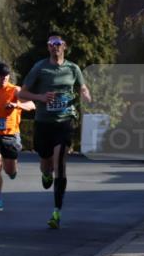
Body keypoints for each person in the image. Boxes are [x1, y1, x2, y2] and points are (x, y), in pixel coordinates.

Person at [18, 34, 91, 229]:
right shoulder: (40, 67)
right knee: (46, 162)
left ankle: (56, 211)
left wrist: (85, 94)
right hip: (43, 123)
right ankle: (45, 173)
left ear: (64, 46)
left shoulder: (73, 68)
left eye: (58, 44)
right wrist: (40, 97)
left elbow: (82, 87)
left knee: (60, 164)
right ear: (48, 48)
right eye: (51, 44)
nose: (55, 47)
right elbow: (21, 94)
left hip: (64, 121)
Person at [0, 62, 35, 211]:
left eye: (7, 76)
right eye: (1, 76)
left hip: (11, 135)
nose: (4, 79)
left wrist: (17, 105)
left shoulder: (15, 90)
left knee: (9, 170)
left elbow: (32, 105)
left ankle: (13, 170)